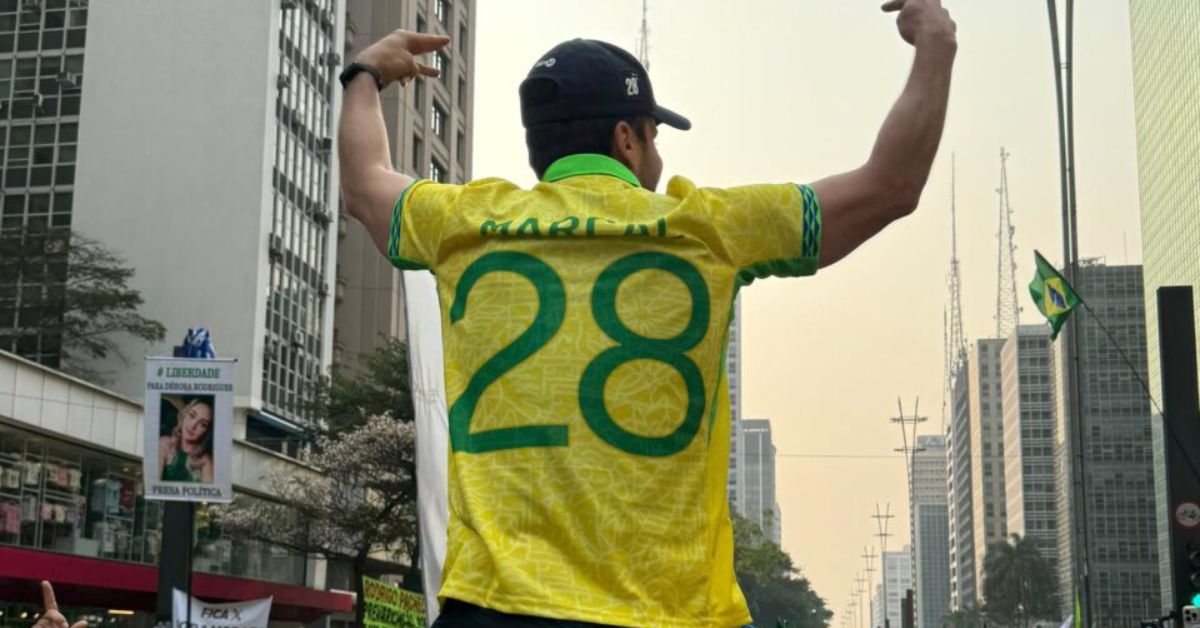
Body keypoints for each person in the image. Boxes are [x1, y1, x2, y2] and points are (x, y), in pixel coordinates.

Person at [337, 0, 955, 625]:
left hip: (495, 609)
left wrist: (365, 75)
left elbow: (365, 182)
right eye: (654, 136)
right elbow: (890, 185)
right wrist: (936, 42)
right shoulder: (705, 228)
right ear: (625, 140)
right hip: (670, 611)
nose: (658, 159)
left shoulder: (464, 223)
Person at [159, 397, 215, 483]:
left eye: (203, 424)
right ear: (184, 414)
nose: (193, 426)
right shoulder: (164, 444)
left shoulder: (205, 460)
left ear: (207, 432)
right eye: (192, 416)